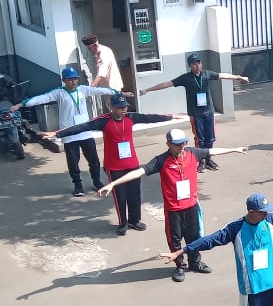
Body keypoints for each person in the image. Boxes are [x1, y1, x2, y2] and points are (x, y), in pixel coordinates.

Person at [99, 128, 249, 282]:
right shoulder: (161, 160)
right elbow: (139, 172)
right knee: (174, 239)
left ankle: (195, 262)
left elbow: (212, 151)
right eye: (177, 144)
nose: (181, 147)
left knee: (195, 237)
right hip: (173, 210)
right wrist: (113, 183)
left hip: (191, 206)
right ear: (168, 144)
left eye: (183, 143)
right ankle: (180, 266)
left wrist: (235, 149)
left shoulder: (193, 153)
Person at [45, 93, 178, 234]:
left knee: (134, 194)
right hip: (114, 166)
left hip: (132, 164)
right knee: (120, 195)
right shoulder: (103, 121)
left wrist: (169, 117)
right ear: (111, 107)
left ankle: (135, 220)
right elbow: (82, 127)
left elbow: (150, 118)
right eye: (120, 107)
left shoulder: (131, 117)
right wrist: (57, 134)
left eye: (125, 107)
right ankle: (123, 223)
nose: (124, 110)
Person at [13, 65, 118, 195]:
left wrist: (117, 93)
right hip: (69, 134)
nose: (73, 82)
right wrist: (21, 104)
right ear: (64, 80)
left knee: (94, 161)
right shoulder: (59, 93)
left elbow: (101, 91)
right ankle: (78, 185)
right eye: (70, 79)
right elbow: (41, 98)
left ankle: (97, 182)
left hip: (85, 132)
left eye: (75, 79)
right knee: (73, 163)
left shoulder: (83, 90)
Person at [138, 53, 250, 168]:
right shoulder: (186, 78)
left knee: (210, 137)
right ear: (190, 66)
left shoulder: (207, 74)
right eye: (194, 64)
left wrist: (238, 77)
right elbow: (167, 84)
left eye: (199, 63)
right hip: (196, 114)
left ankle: (208, 159)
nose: (197, 66)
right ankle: (200, 162)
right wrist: (148, 90)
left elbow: (222, 75)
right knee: (199, 139)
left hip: (208, 112)